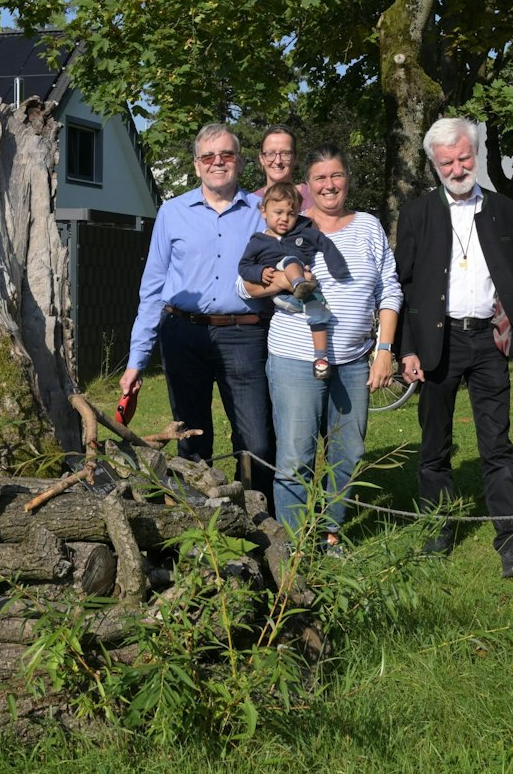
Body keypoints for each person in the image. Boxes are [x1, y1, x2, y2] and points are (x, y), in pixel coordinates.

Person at [395, 117, 513, 579]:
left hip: (488, 340)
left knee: (497, 445)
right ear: (433, 164)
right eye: (447, 162)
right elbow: (406, 285)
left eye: (464, 158)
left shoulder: (504, 209)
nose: (458, 168)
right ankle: (438, 526)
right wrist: (408, 348)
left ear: (474, 155)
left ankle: (511, 540)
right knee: (434, 445)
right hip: (438, 340)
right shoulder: (417, 214)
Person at [244, 146, 399, 541]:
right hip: (295, 358)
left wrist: (383, 350)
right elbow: (244, 285)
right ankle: (295, 548)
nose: (329, 185)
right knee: (296, 457)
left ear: (347, 178)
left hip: (353, 360)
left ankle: (329, 534)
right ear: (307, 185)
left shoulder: (368, 226)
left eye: (336, 176)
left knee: (348, 454)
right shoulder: (288, 224)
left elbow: (389, 290)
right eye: (320, 178)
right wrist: (284, 280)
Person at [121, 123, 273, 496]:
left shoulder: (263, 213)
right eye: (208, 156)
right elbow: (152, 290)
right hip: (184, 335)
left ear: (239, 161)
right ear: (196, 165)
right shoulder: (172, 213)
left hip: (245, 334)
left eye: (226, 155)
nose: (217, 162)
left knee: (256, 439)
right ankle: (199, 525)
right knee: (190, 437)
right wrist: (137, 359)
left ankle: (257, 521)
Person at [240, 181, 333, 377]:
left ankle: (320, 358)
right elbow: (244, 267)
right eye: (278, 213)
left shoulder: (299, 235)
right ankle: (299, 284)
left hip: (304, 297)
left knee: (318, 311)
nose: (285, 219)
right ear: (263, 211)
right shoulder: (258, 241)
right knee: (290, 260)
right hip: (282, 296)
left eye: (291, 214)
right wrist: (260, 272)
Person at [253, 123, 314, 212]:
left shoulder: (312, 197)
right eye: (270, 154)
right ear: (261, 158)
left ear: (295, 158)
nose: (278, 161)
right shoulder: (251, 203)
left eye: (285, 154)